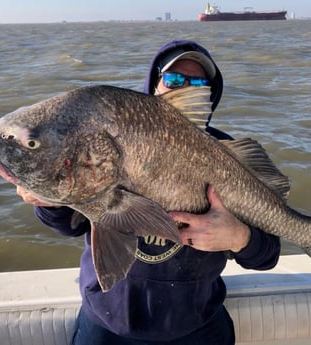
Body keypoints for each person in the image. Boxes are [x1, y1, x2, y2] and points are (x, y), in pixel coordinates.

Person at [17, 39, 281, 345]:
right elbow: (68, 226)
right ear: (153, 84)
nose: (184, 88)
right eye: (173, 80)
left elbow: (267, 255)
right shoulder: (109, 141)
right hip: (107, 323)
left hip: (196, 326)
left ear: (209, 94)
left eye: (197, 82)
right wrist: (48, 202)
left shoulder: (228, 156)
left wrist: (239, 238)